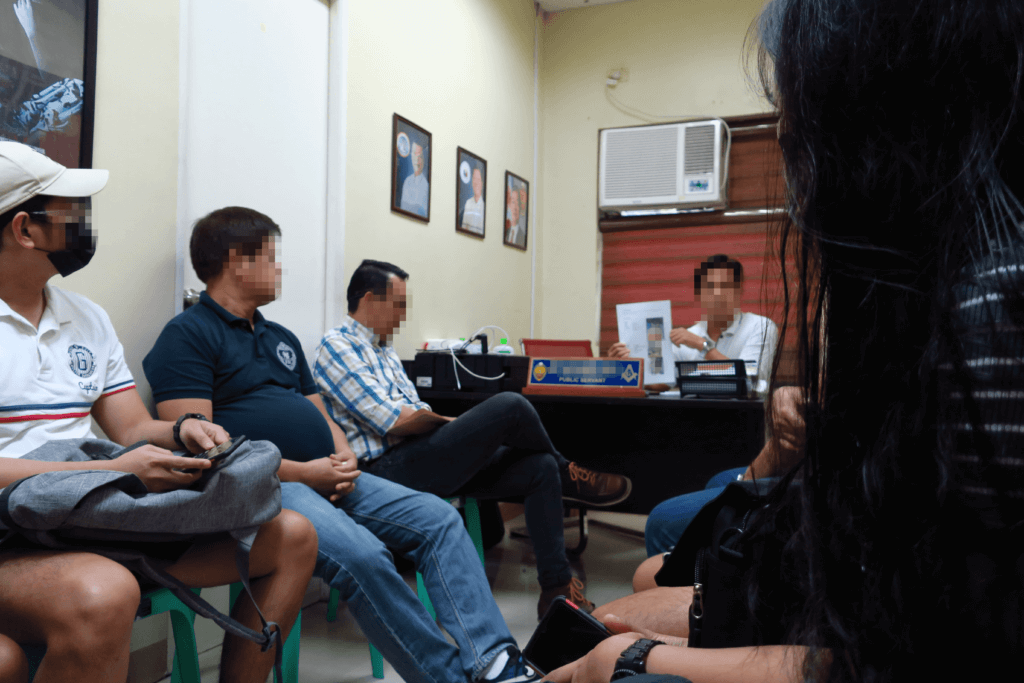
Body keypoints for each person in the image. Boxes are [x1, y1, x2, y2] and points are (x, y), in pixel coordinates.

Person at [544, 0, 1024, 681]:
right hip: (796, 498)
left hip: (789, 498)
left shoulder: (980, 321)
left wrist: (631, 658)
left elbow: (915, 646)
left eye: (794, 106)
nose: (786, 134)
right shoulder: (925, 308)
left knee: (657, 571)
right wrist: (637, 360)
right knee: (677, 546)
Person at [144, 207, 543, 683]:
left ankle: (495, 662)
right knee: (365, 556)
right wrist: (304, 472)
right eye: (270, 258)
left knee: (440, 520)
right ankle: (446, 677)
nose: (280, 269)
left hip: (330, 477)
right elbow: (203, 451)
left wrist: (341, 454)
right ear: (238, 262)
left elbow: (317, 410)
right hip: (266, 487)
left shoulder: (279, 337)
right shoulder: (187, 335)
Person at [0, 142, 316, 683]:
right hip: (14, 532)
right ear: (26, 229)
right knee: (105, 592)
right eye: (70, 213)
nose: (84, 225)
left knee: (292, 536)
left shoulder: (86, 317)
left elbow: (129, 429)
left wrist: (182, 430)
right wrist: (111, 472)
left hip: (91, 516)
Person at [314, 259, 633, 618]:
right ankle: (570, 474)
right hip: (383, 472)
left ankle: (556, 593)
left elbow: (416, 410)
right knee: (510, 405)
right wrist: (451, 424)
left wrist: (447, 425)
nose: (403, 315)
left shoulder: (383, 350)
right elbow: (392, 420)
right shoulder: (336, 347)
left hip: (418, 456)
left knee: (539, 468)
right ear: (371, 300)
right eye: (399, 304)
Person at [609, 254, 777, 383]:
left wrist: (703, 346)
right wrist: (626, 366)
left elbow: (750, 378)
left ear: (740, 289)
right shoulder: (688, 336)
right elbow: (661, 383)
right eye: (710, 287)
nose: (718, 294)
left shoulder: (761, 327)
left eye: (725, 286)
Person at [400, 140, 429, 217]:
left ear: (423, 160)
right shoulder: (407, 182)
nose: (416, 160)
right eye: (414, 155)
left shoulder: (426, 185)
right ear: (411, 157)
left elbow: (422, 213)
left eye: (419, 156)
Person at [461, 167, 485, 234]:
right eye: (474, 179)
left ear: (481, 183)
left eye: (478, 179)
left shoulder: (484, 206)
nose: (476, 183)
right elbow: (464, 228)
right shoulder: (468, 203)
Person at [504, 183, 526, 247]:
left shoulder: (523, 237)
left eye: (518, 203)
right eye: (513, 202)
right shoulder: (506, 233)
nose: (515, 207)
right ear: (509, 205)